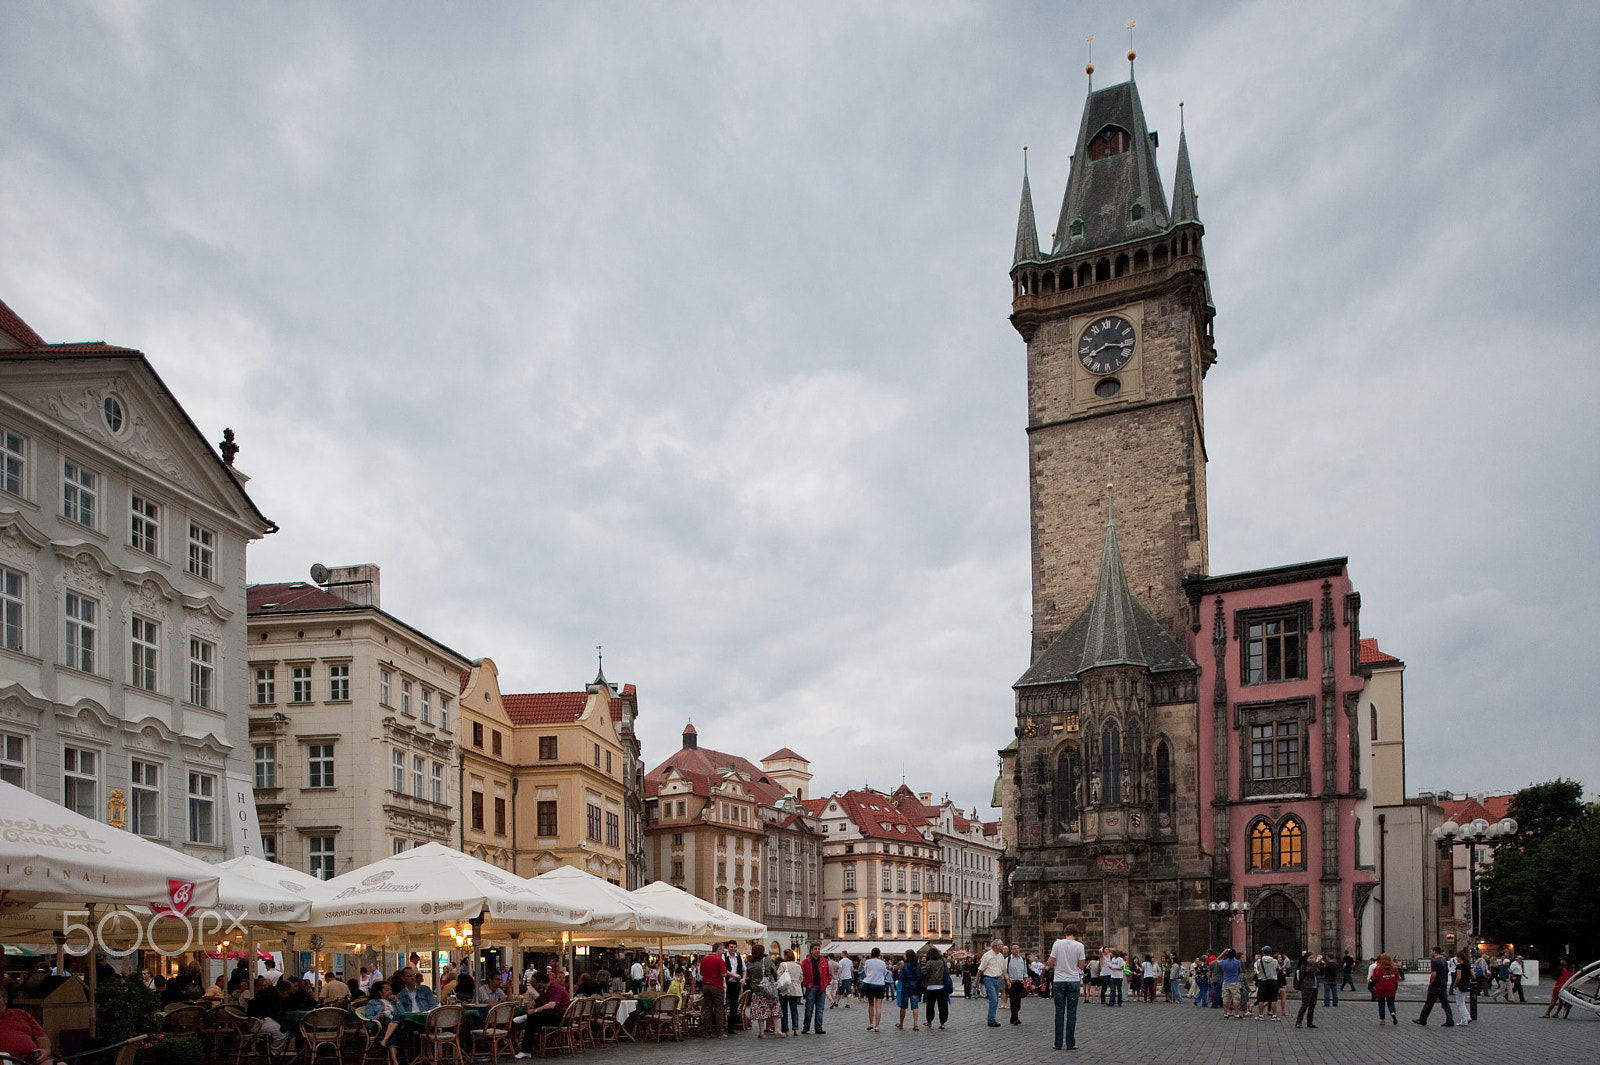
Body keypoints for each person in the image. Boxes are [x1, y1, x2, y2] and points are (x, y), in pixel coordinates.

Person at [1047, 922, 1086, 1051]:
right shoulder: (1080, 946)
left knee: (1059, 1012)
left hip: (1059, 980)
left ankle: (1057, 1043)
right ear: (1076, 934)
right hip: (1073, 980)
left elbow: (1051, 962)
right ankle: (1070, 1043)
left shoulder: (1057, 944)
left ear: (1065, 932)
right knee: (1071, 1013)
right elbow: (1081, 966)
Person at [514, 971, 569, 1058]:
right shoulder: (545, 990)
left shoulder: (555, 988)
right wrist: (532, 1004)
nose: (535, 985)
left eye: (536, 983)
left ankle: (525, 1049)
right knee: (532, 1020)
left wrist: (535, 1011)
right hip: (554, 1016)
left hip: (562, 1018)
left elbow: (551, 1005)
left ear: (540, 982)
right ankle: (526, 1049)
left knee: (533, 1017)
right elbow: (539, 1001)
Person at [364, 980, 402, 1065]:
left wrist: (397, 1003)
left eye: (390, 989)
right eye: (387, 990)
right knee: (393, 1033)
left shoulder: (393, 1002)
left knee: (397, 1020)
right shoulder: (373, 1002)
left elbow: (402, 1014)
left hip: (393, 1025)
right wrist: (378, 1016)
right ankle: (395, 1062)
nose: (390, 992)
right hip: (379, 1025)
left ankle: (385, 1041)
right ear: (380, 992)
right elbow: (368, 1016)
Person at [747, 944, 781, 1038]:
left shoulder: (750, 963)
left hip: (757, 989)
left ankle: (761, 1031)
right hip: (769, 989)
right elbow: (774, 974)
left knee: (760, 1010)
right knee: (774, 1008)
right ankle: (777, 1030)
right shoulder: (768, 960)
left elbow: (749, 976)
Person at [1414, 946, 1453, 1026]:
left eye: (1432, 951)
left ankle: (1422, 1019)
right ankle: (1450, 1019)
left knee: (1429, 1003)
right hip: (1443, 984)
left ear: (1435, 951)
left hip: (1435, 985)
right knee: (1445, 1003)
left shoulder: (1435, 962)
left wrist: (1430, 983)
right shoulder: (1444, 961)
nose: (1431, 952)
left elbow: (1433, 974)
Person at [800, 943, 830, 1034]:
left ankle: (818, 1027)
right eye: (815, 949)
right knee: (809, 1008)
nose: (817, 950)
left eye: (818, 949)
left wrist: (826, 983)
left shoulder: (824, 961)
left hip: (821, 987)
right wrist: (806, 984)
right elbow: (802, 974)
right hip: (811, 987)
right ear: (811, 950)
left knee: (820, 1009)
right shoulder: (806, 962)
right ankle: (806, 1026)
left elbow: (828, 974)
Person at [858, 947, 890, 1032]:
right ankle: (877, 1026)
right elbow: (884, 973)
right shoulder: (882, 963)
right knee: (878, 1006)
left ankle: (871, 1023)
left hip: (870, 984)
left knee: (871, 1004)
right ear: (879, 954)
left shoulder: (868, 962)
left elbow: (866, 971)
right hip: (880, 984)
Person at [976, 939, 1007, 1027]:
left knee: (996, 1000)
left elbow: (1003, 969)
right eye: (1001, 945)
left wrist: (1007, 979)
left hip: (998, 979)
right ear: (995, 946)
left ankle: (991, 1018)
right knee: (993, 999)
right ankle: (991, 1020)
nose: (1002, 946)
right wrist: (976, 981)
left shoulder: (1000, 956)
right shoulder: (987, 955)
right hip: (989, 978)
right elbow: (980, 969)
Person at [699, 944, 728, 1037]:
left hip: (706, 986)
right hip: (716, 986)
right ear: (718, 950)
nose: (723, 952)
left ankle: (707, 1032)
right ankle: (719, 1032)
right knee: (719, 1010)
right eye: (722, 950)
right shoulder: (719, 960)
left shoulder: (704, 959)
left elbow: (701, 973)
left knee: (707, 1010)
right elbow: (723, 974)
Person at [921, 946, 950, 1030]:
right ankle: (942, 1023)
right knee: (942, 1006)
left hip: (931, 986)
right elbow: (947, 972)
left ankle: (929, 1021)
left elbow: (924, 970)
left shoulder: (930, 962)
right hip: (941, 986)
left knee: (930, 1006)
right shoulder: (942, 962)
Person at [777, 948, 803, 1035]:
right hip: (795, 989)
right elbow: (801, 978)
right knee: (794, 1009)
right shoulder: (798, 966)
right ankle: (795, 1027)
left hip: (785, 989)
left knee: (784, 1009)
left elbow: (779, 976)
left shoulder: (783, 965)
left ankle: (785, 1028)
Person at [895, 949, 923, 1030]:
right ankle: (915, 1024)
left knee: (903, 1006)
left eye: (905, 954)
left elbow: (901, 977)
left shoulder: (905, 966)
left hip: (906, 987)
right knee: (915, 1006)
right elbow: (920, 976)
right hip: (915, 987)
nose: (903, 956)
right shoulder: (918, 966)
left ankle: (901, 1023)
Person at [722, 942, 746, 1035]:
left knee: (734, 1006)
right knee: (724, 1004)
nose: (732, 949)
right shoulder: (724, 956)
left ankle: (731, 1027)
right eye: (731, 947)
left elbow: (744, 969)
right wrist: (733, 975)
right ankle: (723, 1025)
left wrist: (743, 978)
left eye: (734, 947)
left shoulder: (739, 957)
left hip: (736, 984)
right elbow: (723, 969)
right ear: (728, 947)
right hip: (726, 983)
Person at [1371, 953, 1400, 1025]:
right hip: (1391, 988)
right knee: (1391, 1003)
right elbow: (1397, 978)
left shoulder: (1378, 969)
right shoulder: (1394, 968)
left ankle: (1382, 1020)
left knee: (1381, 1004)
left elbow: (1374, 978)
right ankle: (1392, 1013)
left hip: (1381, 988)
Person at [1293, 952, 1319, 1028]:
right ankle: (1298, 1022)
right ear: (1306, 959)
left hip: (1315, 987)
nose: (1312, 959)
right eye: (1310, 958)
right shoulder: (1303, 966)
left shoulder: (1314, 966)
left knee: (1312, 1006)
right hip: (1307, 987)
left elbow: (1320, 973)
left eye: (1313, 958)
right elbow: (1309, 970)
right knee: (1305, 1005)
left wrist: (1321, 965)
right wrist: (1316, 962)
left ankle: (1309, 1022)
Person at [1253, 947, 1280, 1020]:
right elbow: (1277, 969)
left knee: (1261, 999)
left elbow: (1258, 969)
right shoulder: (1275, 961)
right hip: (1272, 981)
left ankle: (1260, 1015)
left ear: (1263, 952)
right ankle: (1274, 1015)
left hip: (1263, 981)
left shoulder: (1259, 961)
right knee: (1273, 999)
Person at [1005, 943, 1028, 1024]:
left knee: (1018, 1000)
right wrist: (1008, 979)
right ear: (1011, 950)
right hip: (1012, 982)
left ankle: (1013, 1017)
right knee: (1013, 1000)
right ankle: (1015, 1018)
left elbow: (1025, 970)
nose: (1016, 950)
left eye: (1017, 948)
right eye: (1014, 949)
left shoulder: (1022, 959)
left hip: (1020, 982)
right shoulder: (1008, 959)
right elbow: (1004, 971)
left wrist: (1025, 978)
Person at [1218, 949, 1244, 1018]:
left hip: (1226, 981)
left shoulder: (1223, 962)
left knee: (1225, 998)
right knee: (1236, 998)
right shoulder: (1238, 962)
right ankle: (1236, 1013)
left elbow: (1216, 960)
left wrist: (1223, 952)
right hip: (1235, 981)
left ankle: (1226, 1013)